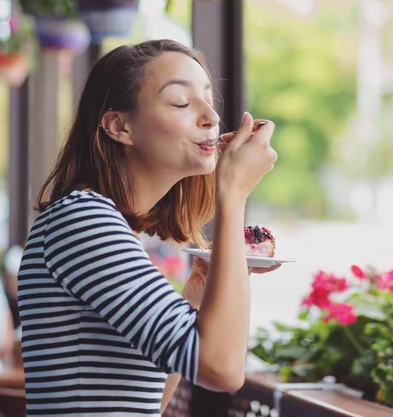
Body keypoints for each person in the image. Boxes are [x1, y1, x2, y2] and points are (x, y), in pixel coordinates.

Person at [18, 39, 278, 417]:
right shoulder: (82, 220)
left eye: (208, 99)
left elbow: (145, 405)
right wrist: (234, 193)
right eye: (180, 102)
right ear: (119, 126)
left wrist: (193, 299)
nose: (211, 116)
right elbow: (222, 370)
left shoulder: (104, 224)